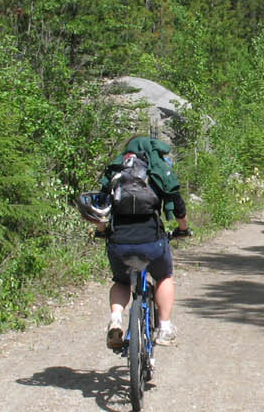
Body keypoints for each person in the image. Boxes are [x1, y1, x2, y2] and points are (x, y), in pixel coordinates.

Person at [78, 135, 190, 350]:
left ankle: (117, 318)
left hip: (119, 241)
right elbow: (178, 207)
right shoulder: (158, 172)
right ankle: (164, 328)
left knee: (121, 281)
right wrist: (183, 230)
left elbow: (102, 210)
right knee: (163, 276)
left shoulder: (116, 172)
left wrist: (101, 232)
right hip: (152, 240)